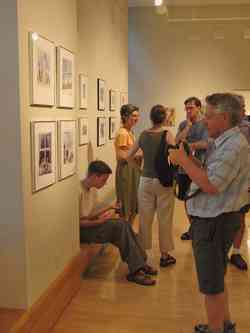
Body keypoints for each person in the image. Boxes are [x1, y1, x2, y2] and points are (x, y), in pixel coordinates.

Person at [169, 93, 248, 333]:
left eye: (209, 116)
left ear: (224, 117)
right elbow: (210, 173)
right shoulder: (226, 142)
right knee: (216, 277)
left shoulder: (234, 146)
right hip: (217, 221)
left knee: (211, 285)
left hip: (214, 222)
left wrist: (183, 161)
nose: (204, 122)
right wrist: (191, 158)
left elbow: (212, 185)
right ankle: (223, 324)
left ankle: (216, 329)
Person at [79, 160, 157, 286]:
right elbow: (78, 223)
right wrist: (100, 220)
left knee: (124, 225)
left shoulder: (92, 190)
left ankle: (140, 265)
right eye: (103, 180)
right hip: (84, 231)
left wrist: (109, 209)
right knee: (120, 227)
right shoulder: (78, 192)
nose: (105, 184)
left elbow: (90, 213)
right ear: (94, 176)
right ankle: (137, 269)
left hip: (93, 224)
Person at [128, 105, 176, 267]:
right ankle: (164, 255)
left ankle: (143, 254)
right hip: (163, 182)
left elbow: (129, 156)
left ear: (151, 118)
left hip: (145, 181)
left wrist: (139, 169)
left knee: (145, 218)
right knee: (164, 218)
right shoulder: (167, 134)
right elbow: (176, 158)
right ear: (163, 119)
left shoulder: (143, 134)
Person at [175, 97, 208, 241]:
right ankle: (193, 229)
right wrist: (187, 127)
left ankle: (201, 230)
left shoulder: (206, 124)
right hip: (183, 169)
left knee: (199, 200)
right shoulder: (183, 124)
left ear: (199, 108)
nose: (188, 111)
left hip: (199, 168)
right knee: (187, 200)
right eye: (186, 108)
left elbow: (207, 143)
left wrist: (190, 146)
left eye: (191, 108)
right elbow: (176, 141)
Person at [229, 95, 250, 271]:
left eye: (243, 106)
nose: (242, 109)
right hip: (223, 179)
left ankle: (236, 252)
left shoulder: (248, 128)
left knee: (240, 217)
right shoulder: (223, 127)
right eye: (239, 106)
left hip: (243, 180)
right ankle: (221, 249)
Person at [114, 104, 141, 223]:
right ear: (125, 116)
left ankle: (128, 232)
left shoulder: (129, 132)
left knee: (133, 203)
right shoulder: (123, 133)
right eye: (134, 116)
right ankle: (124, 234)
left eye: (137, 116)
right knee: (126, 204)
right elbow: (121, 157)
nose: (136, 118)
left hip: (132, 170)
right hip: (126, 172)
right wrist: (141, 153)